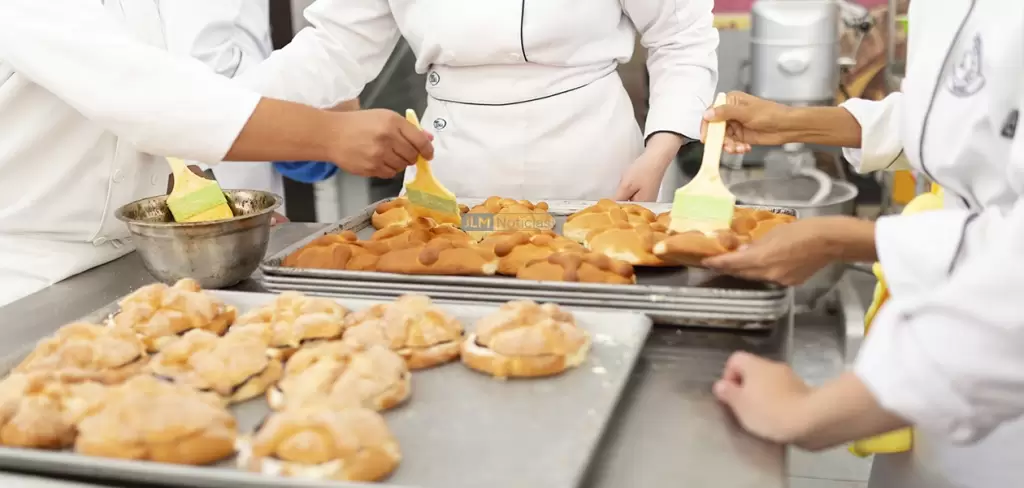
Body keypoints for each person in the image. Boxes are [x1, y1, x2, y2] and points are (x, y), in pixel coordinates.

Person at [697, 1, 1024, 487]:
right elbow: (952, 116)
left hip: (993, 381)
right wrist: (794, 121)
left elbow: (1010, 289)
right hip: (932, 348)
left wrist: (811, 412)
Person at [0, 0, 433, 306]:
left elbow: (178, 95)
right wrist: (327, 134)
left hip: (130, 263)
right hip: (26, 277)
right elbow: (143, 100)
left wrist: (216, 205)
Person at [234, 0, 719, 202]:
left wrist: (661, 150)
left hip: (596, 165)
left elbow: (681, 37)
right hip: (453, 165)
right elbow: (334, 46)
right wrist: (222, 114)